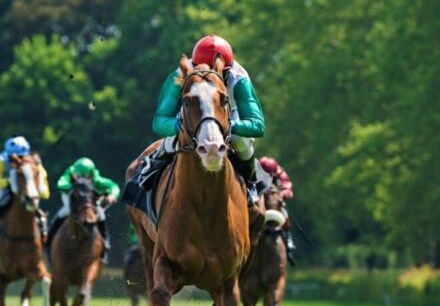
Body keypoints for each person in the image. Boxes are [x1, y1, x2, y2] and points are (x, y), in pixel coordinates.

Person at [124, 34, 266, 218]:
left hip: (227, 114)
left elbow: (257, 125)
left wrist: (227, 126)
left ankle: (252, 184)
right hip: (192, 115)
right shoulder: (180, 75)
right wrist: (180, 127)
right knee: (170, 142)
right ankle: (148, 175)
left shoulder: (239, 79)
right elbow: (159, 121)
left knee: (240, 141)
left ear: (226, 70)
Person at [0, 136, 49, 244]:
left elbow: (43, 179)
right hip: (7, 187)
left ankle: (44, 234)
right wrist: (9, 181)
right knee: (1, 201)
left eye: (21, 156)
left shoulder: (33, 162)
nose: (17, 160)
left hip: (25, 189)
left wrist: (42, 191)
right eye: (12, 157)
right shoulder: (0, 161)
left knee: (37, 209)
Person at [47, 157, 120, 258]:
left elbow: (113, 186)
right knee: (65, 211)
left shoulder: (95, 178)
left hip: (88, 200)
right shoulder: (70, 172)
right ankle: (50, 239)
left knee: (101, 214)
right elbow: (61, 184)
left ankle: (105, 240)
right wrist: (75, 186)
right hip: (73, 198)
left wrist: (112, 195)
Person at [258, 156, 297, 265]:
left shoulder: (280, 173)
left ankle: (288, 242)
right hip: (259, 199)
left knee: (284, 212)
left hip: (276, 200)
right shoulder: (254, 172)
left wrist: (283, 194)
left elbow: (287, 186)